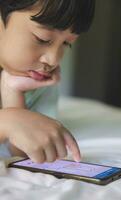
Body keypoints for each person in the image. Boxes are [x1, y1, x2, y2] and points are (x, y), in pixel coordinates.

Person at [0, 0, 95, 163]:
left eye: (67, 43)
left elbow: (29, 151)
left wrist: (12, 91)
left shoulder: (35, 82)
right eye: (42, 39)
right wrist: (7, 121)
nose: (53, 60)